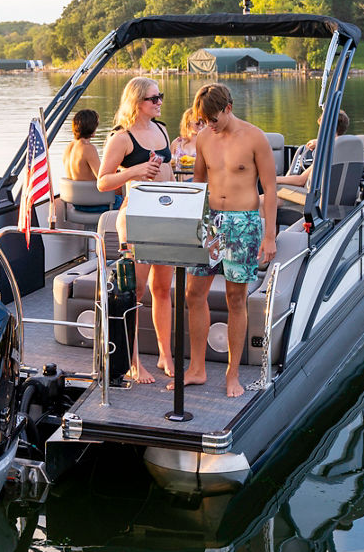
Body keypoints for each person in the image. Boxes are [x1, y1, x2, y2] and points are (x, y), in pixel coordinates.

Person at [176, 84, 277, 398]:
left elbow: (271, 190)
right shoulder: (205, 137)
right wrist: (192, 222)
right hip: (210, 222)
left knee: (236, 299)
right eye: (204, 119)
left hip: (242, 224)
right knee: (194, 294)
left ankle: (232, 374)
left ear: (229, 107)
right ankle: (197, 368)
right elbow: (199, 181)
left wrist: (270, 236)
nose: (209, 124)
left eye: (213, 117)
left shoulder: (254, 137)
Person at [97, 78, 174, 383]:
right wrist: (135, 171)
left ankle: (164, 354)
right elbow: (103, 182)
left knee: (163, 290)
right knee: (135, 293)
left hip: (166, 216)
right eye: (154, 98)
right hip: (136, 218)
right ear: (137, 101)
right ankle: (132, 360)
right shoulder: (121, 137)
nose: (159, 102)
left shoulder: (163, 129)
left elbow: (164, 167)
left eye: (160, 97)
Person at [276, 109, 350, 189]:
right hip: (332, 194)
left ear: (326, 128)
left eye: (321, 128)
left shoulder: (326, 152)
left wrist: (271, 179)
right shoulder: (345, 150)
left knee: (273, 193)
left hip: (312, 198)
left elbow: (300, 181)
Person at [63, 108, 101, 181]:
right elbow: (103, 180)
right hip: (90, 192)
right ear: (92, 127)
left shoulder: (68, 147)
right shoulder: (88, 149)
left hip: (72, 192)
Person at [170, 106, 203, 180]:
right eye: (198, 122)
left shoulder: (205, 143)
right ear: (188, 123)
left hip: (197, 182)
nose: (201, 124)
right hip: (179, 181)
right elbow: (169, 164)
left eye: (203, 121)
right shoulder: (177, 143)